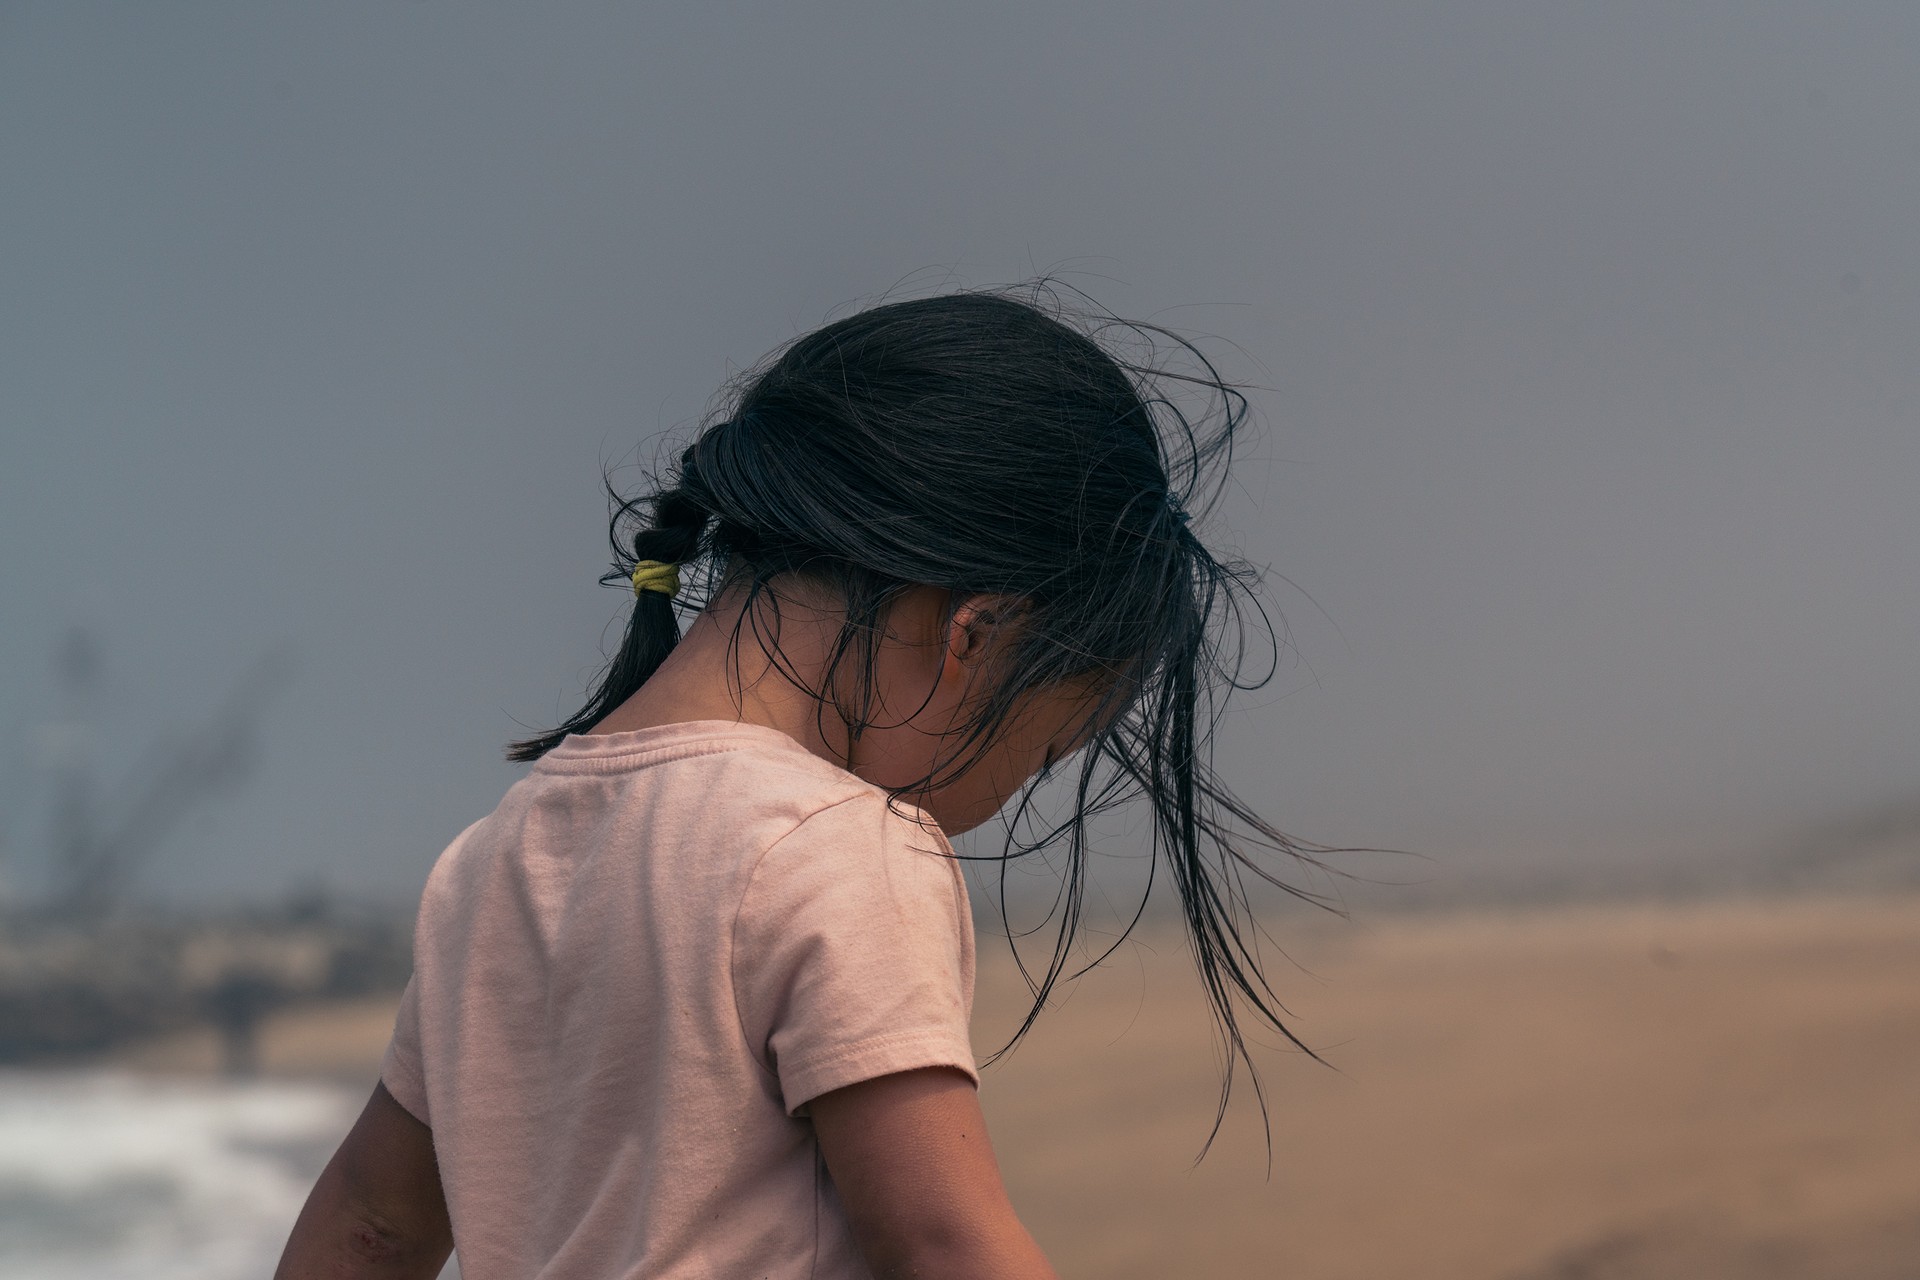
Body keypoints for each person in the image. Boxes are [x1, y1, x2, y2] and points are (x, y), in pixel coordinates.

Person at [276, 286, 1324, 1279]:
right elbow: (941, 1244)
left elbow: (371, 1220)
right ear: (976, 634)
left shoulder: (498, 852)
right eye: (1042, 751)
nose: (995, 802)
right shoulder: (839, 844)